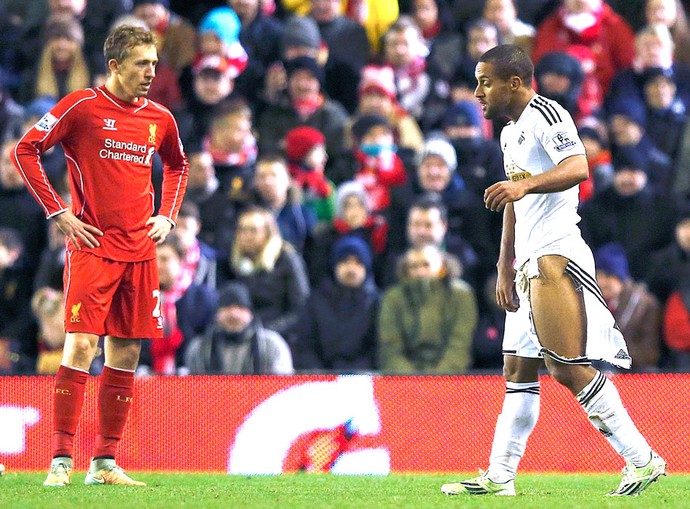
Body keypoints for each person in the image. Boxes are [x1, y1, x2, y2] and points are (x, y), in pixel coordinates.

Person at [441, 45, 665, 497]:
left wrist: (521, 185)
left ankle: (642, 460)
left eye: (486, 82)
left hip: (555, 253)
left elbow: (578, 167)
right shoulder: (508, 133)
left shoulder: (548, 114)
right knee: (517, 370)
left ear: (515, 83)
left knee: (566, 368)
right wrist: (504, 266)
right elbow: (512, 201)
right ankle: (500, 477)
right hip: (525, 260)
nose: (477, 91)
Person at [12, 25, 189, 487]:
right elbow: (26, 149)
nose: (151, 72)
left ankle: (104, 464)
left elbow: (177, 165)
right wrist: (58, 212)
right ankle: (60, 460)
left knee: (127, 351)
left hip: (141, 251)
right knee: (82, 345)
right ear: (114, 66)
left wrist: (167, 216)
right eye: (141, 64)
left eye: (154, 63)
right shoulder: (81, 106)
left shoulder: (160, 118)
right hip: (92, 246)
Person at [378, 244, 477, 374]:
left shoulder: (461, 294)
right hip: (404, 382)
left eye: (426, 265)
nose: (420, 272)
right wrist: (412, 382)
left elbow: (459, 345)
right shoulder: (392, 297)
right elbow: (391, 348)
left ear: (442, 266)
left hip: (450, 379)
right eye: (413, 266)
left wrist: (436, 380)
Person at [184, 281, 294, 375]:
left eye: (240, 308)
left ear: (250, 314)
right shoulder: (199, 348)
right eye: (227, 307)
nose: (233, 314)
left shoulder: (271, 344)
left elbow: (283, 389)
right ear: (216, 314)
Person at [594, 243, 661, 373]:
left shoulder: (645, 303)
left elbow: (649, 353)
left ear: (621, 278)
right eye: (599, 275)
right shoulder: (594, 303)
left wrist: (614, 353)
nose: (601, 282)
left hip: (633, 374)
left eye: (607, 276)